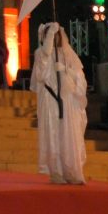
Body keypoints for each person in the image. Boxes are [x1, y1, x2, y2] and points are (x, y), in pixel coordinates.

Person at [30, 23, 88, 185]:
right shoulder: (41, 53)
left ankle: (73, 171)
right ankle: (56, 171)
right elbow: (42, 69)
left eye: (56, 35)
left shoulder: (67, 54)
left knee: (69, 134)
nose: (55, 38)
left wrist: (65, 70)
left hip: (67, 99)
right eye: (51, 35)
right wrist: (50, 34)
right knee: (53, 134)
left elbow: (79, 76)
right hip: (51, 97)